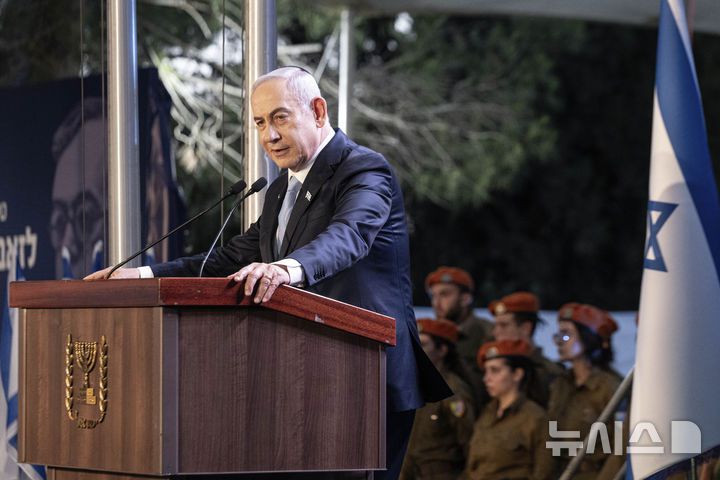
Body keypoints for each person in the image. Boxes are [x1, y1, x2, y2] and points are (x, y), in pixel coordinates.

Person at [86, 66, 451, 479]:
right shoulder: (279, 189)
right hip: (299, 377)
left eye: (280, 118)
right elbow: (229, 260)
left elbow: (349, 236)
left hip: (364, 378)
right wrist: (139, 277)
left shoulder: (364, 170)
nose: (269, 136)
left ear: (318, 111)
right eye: (260, 122)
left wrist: (284, 270)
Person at [547, 302, 623, 479]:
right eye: (558, 335)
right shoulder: (560, 384)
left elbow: (620, 449)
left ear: (588, 338)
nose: (559, 342)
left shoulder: (610, 388)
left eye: (567, 335)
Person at [465, 339, 555, 480]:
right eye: (486, 371)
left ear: (517, 374)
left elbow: (543, 472)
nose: (486, 378)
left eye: (495, 371)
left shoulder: (534, 418)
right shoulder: (487, 413)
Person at [400, 318, 476, 480]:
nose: (416, 350)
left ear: (442, 350)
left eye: (423, 344)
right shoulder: (416, 384)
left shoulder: (453, 391)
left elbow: (470, 444)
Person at [425, 266, 493, 405]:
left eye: (444, 295)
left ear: (465, 298)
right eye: (433, 296)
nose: (436, 303)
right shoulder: (429, 334)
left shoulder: (487, 333)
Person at [488, 291, 564, 407]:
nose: (495, 333)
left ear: (525, 328)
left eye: (503, 325)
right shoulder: (494, 368)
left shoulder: (549, 374)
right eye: (495, 326)